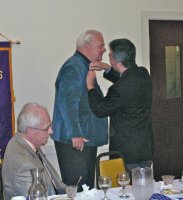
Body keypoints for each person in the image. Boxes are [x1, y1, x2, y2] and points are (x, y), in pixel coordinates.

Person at [52, 30, 108, 191]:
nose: (104, 49)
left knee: (87, 190)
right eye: (101, 45)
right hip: (75, 142)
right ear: (87, 46)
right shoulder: (73, 67)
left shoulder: (82, 66)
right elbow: (68, 102)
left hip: (83, 141)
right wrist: (75, 133)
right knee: (78, 190)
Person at [86, 38, 154, 171]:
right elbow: (126, 81)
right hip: (145, 149)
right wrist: (107, 68)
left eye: (110, 54)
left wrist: (90, 87)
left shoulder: (118, 89)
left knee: (125, 190)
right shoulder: (143, 74)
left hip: (127, 154)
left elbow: (100, 109)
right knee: (143, 187)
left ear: (114, 60)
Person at [2, 103, 66, 200]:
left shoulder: (25, 142)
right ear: (30, 131)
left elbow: (56, 185)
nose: (51, 131)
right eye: (46, 128)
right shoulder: (24, 165)